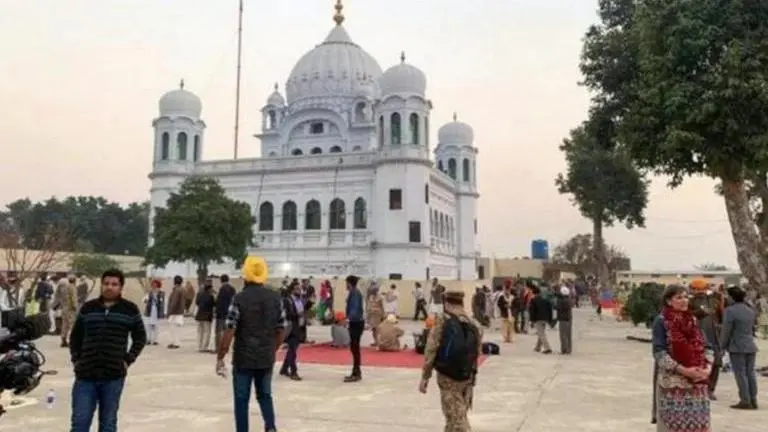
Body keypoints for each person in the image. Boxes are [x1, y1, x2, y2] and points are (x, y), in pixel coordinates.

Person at [69, 268, 147, 432]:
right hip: (85, 375)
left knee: (108, 424)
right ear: (101, 285)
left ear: (121, 287)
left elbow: (140, 338)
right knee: (80, 423)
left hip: (113, 376)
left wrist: (128, 360)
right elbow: (75, 337)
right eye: (106, 283)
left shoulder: (130, 310)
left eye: (114, 284)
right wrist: (76, 360)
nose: (109, 287)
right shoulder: (88, 308)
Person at [216, 256, 285, 432]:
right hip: (265, 357)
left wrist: (221, 356)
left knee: (241, 400)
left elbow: (230, 329)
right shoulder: (276, 298)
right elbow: (281, 330)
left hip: (243, 358)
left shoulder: (239, 299)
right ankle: (270, 427)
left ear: (245, 274)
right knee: (265, 395)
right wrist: (272, 349)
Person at [419, 290, 482, 432]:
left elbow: (431, 348)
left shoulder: (443, 320)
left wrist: (425, 376)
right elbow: (477, 352)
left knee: (457, 421)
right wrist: (472, 375)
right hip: (467, 376)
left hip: (448, 376)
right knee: (456, 415)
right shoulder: (474, 324)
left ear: (446, 303)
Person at [651, 285, 712, 431]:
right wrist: (684, 370)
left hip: (698, 383)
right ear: (668, 301)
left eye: (686, 297)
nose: (684, 300)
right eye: (679, 297)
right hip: (673, 386)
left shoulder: (693, 320)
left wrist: (708, 369)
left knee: (698, 425)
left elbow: (707, 347)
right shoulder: (661, 321)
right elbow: (659, 353)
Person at [720, 286, 759, 410]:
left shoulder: (729, 311)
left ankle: (745, 400)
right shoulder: (750, 310)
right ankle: (753, 399)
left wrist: (722, 346)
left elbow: (726, 331)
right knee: (750, 373)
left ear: (731, 297)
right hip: (750, 345)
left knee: (740, 374)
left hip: (737, 346)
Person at [279, 281, 304, 380]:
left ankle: (284, 369)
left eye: (300, 289)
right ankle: (294, 372)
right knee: (292, 350)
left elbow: (301, 313)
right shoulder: (287, 300)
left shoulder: (299, 300)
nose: (299, 291)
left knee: (292, 350)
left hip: (299, 327)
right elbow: (288, 315)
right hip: (291, 328)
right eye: (297, 289)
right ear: (292, 290)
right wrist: (299, 314)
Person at [344, 274, 364, 382]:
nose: (345, 285)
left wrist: (347, 319)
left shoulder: (355, 293)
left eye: (346, 283)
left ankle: (356, 372)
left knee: (355, 348)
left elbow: (355, 309)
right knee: (354, 348)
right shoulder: (354, 292)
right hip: (356, 322)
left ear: (349, 283)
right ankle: (356, 371)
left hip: (356, 322)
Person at [528, 285, 553, 354]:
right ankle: (537, 347)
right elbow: (550, 310)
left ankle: (547, 348)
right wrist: (550, 319)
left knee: (541, 334)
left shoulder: (533, 300)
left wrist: (532, 321)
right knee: (540, 333)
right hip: (545, 319)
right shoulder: (545, 300)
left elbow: (532, 311)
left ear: (534, 294)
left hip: (538, 319)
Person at [215, 274, 236, 350]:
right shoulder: (232, 289)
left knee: (219, 331)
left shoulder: (222, 289)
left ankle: (219, 347)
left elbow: (219, 302)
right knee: (228, 331)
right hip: (230, 313)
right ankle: (226, 346)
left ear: (221, 280)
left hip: (221, 314)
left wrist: (216, 312)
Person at [195, 281, 216, 352]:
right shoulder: (211, 296)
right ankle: (204, 347)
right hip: (207, 316)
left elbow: (197, 303)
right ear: (210, 289)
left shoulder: (199, 294)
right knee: (207, 332)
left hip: (199, 315)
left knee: (200, 331)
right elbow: (214, 304)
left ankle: (199, 346)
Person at [143, 279, 165, 345]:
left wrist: (163, 312)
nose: (154, 286)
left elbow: (163, 303)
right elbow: (144, 300)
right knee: (148, 326)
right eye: (153, 285)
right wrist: (146, 300)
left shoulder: (161, 293)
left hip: (157, 311)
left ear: (158, 286)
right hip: (149, 310)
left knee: (156, 326)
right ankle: (148, 339)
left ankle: (156, 340)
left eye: (156, 285)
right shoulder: (149, 293)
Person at [58, 275, 78, 348]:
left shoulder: (64, 288)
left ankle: (63, 340)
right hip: (70, 309)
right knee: (72, 325)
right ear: (74, 280)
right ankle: (72, 341)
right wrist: (75, 307)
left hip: (64, 308)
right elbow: (74, 298)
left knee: (64, 325)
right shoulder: (72, 287)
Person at [166, 275, 185, 349]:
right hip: (180, 311)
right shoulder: (183, 289)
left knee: (173, 328)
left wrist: (169, 312)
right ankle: (174, 342)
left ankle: (176, 343)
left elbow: (174, 302)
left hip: (175, 312)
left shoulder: (177, 290)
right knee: (176, 328)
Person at [365, 281, 384, 348]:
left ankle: (379, 342)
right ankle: (376, 341)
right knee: (373, 329)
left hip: (378, 315)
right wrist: (367, 317)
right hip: (371, 315)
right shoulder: (370, 297)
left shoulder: (380, 297)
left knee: (377, 329)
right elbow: (368, 306)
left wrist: (383, 316)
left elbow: (382, 307)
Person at [556, 286, 573, 355]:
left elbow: (558, 308)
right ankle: (569, 349)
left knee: (563, 335)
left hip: (563, 319)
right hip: (569, 319)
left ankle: (564, 349)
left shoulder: (562, 301)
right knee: (568, 335)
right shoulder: (569, 300)